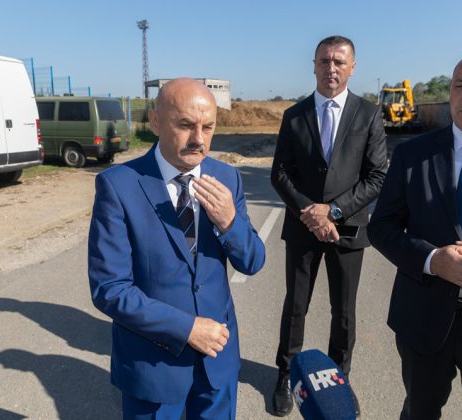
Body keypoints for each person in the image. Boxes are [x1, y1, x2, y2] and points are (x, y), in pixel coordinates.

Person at [88, 78, 265, 419]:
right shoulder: (118, 185)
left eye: (208, 127)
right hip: (153, 367)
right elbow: (109, 288)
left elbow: (253, 261)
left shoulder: (227, 178)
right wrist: (187, 329)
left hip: (217, 362)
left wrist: (230, 223)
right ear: (155, 122)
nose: (199, 139)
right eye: (185, 125)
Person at [368, 50, 462, 419]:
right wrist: (433, 260)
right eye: (459, 86)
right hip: (423, 319)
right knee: (418, 411)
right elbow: (382, 227)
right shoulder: (412, 154)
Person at [270, 35, 387, 416]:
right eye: (324, 61)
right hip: (302, 227)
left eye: (339, 62)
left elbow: (377, 175)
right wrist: (310, 212)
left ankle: (340, 378)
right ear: (314, 66)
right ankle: (286, 374)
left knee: (344, 311)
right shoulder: (294, 115)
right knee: (296, 306)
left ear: (352, 67)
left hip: (347, 229)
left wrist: (333, 212)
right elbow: (280, 173)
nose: (331, 68)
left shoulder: (368, 114)